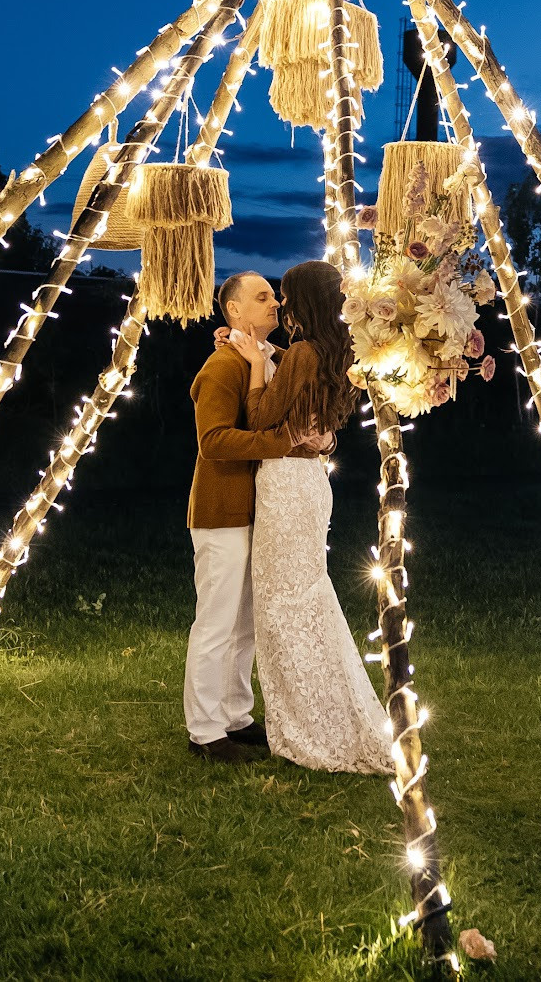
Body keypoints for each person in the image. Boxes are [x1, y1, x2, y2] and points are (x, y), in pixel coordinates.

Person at [227, 259, 393, 773]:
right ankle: (329, 714)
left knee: (282, 608)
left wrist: (255, 366)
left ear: (304, 301)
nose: (281, 303)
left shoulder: (301, 353)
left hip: (284, 485)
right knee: (308, 598)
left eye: (285, 295)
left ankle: (311, 728)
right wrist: (263, 350)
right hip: (312, 483)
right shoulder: (337, 352)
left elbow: (259, 418)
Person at [183, 271, 325, 764]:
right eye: (261, 297)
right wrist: (278, 444)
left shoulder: (272, 357)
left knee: (245, 622)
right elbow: (213, 441)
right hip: (222, 510)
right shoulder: (221, 367)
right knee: (216, 622)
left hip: (258, 511)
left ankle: (236, 715)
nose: (274, 305)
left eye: (274, 296)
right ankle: (203, 731)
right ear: (234, 313)